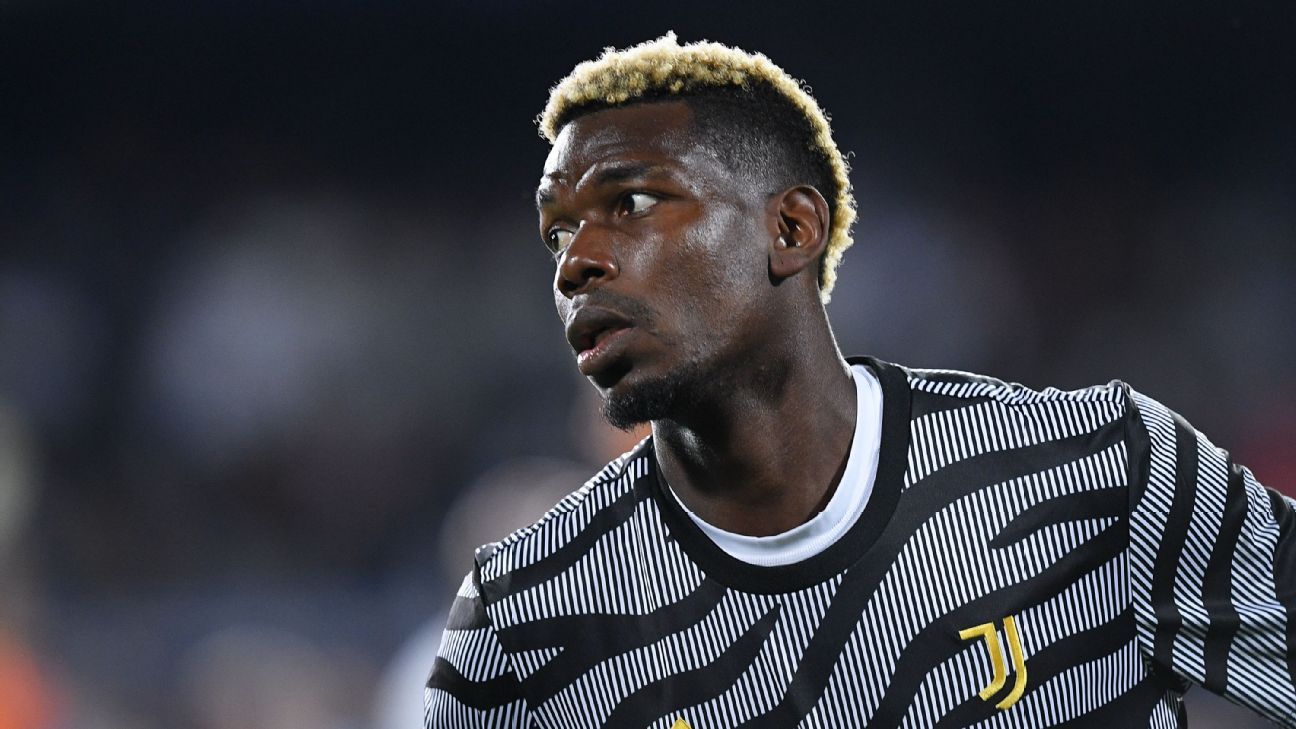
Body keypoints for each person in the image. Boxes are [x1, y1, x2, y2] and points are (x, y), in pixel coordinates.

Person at [425, 34, 1296, 727]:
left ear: (791, 229)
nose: (576, 261)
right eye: (558, 232)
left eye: (634, 203)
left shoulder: (1100, 469)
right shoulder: (520, 620)